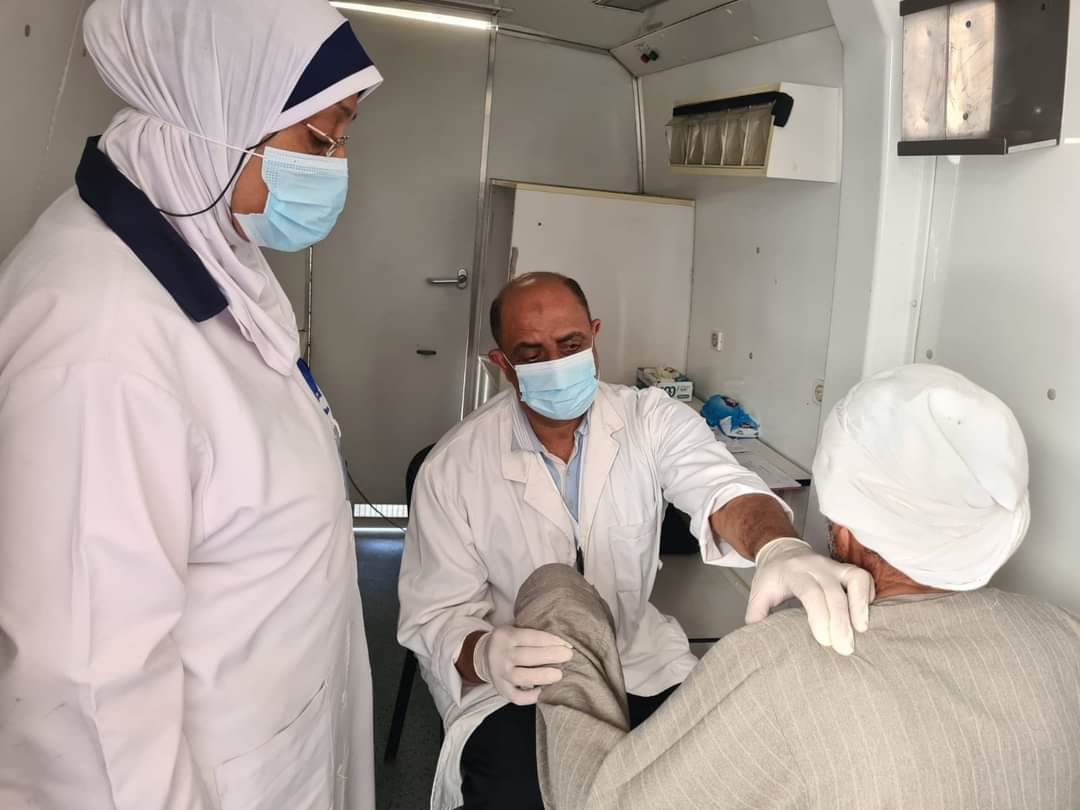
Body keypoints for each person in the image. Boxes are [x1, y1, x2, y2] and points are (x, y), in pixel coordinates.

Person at [0, 1, 382, 808]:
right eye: (321, 140)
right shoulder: (99, 343)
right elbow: (88, 709)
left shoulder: (205, 244)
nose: (338, 166)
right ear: (219, 113)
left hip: (269, 736)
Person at [398, 271, 876, 809]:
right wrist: (484, 653)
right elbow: (434, 616)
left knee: (714, 781)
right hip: (517, 682)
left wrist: (777, 546)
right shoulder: (455, 467)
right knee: (521, 792)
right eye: (532, 354)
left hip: (637, 659)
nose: (555, 363)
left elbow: (722, 487)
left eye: (570, 345)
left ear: (595, 336)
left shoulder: (649, 420)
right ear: (502, 364)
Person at [519, 364, 1080, 810]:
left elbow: (606, 801)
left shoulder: (782, 663)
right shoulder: (1063, 635)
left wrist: (558, 598)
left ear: (843, 527)